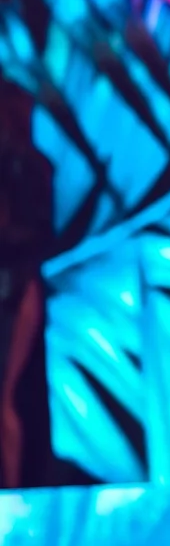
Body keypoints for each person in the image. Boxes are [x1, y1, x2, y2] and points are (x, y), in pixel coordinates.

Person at [0, 82, 53, 489]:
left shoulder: (33, 167)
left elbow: (34, 234)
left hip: (18, 290)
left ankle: (15, 490)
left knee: (10, 400)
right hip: (17, 284)